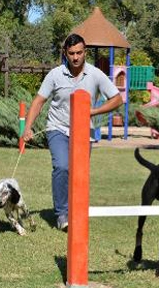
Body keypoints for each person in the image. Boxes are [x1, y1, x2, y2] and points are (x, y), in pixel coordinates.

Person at [23, 33, 123, 231]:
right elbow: (39, 101)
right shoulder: (55, 75)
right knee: (62, 166)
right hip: (57, 128)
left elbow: (117, 99)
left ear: (85, 52)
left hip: (84, 132)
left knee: (79, 175)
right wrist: (27, 128)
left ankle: (76, 213)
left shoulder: (95, 74)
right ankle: (61, 215)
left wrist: (93, 111)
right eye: (71, 53)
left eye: (79, 52)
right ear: (65, 53)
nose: (76, 57)